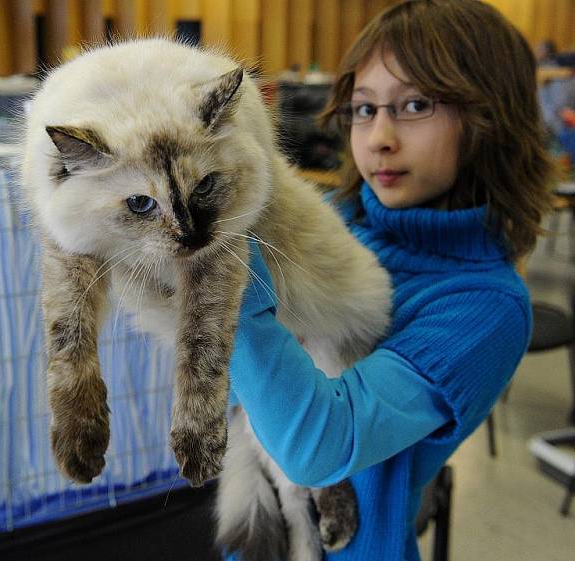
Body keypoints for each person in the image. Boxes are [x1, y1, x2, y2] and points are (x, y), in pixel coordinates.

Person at [227, 1, 554, 560]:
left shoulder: (483, 305)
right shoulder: (337, 217)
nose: (378, 136)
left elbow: (320, 444)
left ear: (491, 118)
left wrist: (223, 267)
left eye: (415, 105)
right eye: (362, 108)